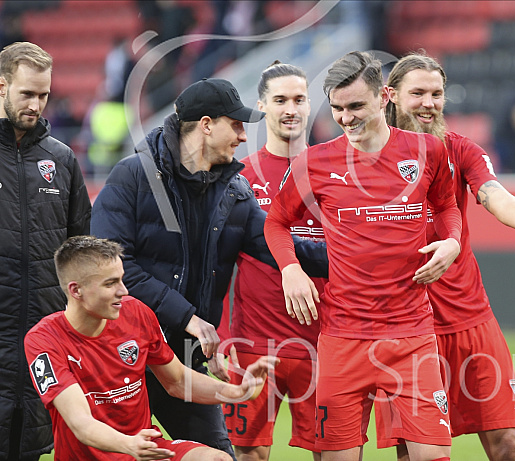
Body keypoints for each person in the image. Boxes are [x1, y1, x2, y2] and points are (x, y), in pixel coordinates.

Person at [91, 77, 327, 456]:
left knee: (217, 454)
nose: (243, 136)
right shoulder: (132, 177)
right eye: (235, 124)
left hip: (183, 358)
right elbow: (111, 268)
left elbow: (281, 247)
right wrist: (188, 317)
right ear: (206, 125)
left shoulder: (235, 191)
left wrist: (362, 256)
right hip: (121, 353)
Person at [378, 52, 515, 461]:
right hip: (407, 326)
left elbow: (496, 196)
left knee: (508, 445)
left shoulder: (460, 150)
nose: (429, 103)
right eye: (417, 93)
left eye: (436, 93)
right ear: (391, 95)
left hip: (471, 320)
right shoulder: (367, 159)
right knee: (416, 454)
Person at [264, 50, 462, 461]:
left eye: (356, 106)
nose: (346, 118)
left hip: (412, 334)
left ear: (384, 96)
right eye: (337, 108)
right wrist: (290, 269)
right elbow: (276, 222)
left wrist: (453, 240)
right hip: (343, 336)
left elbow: (446, 206)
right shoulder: (314, 162)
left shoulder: (428, 150)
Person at [24, 235, 278, 461]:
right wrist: (127, 444)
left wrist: (236, 391)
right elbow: (81, 424)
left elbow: (177, 381)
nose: (123, 291)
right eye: (110, 283)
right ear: (76, 290)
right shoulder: (43, 341)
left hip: (146, 449)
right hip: (107, 452)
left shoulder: (136, 312)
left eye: (122, 280)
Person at [217, 62, 324, 460]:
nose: (290, 109)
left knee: (332, 453)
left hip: (323, 342)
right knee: (248, 455)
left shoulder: (333, 172)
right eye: (280, 100)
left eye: (298, 99)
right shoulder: (238, 176)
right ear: (262, 106)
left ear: (310, 105)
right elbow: (220, 262)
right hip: (253, 342)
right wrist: (225, 334)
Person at [0, 41, 92, 461]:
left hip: (42, 335)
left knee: (33, 447)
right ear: (2, 86)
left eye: (43, 95)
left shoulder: (62, 160)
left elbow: (79, 249)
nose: (36, 104)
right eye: (26, 93)